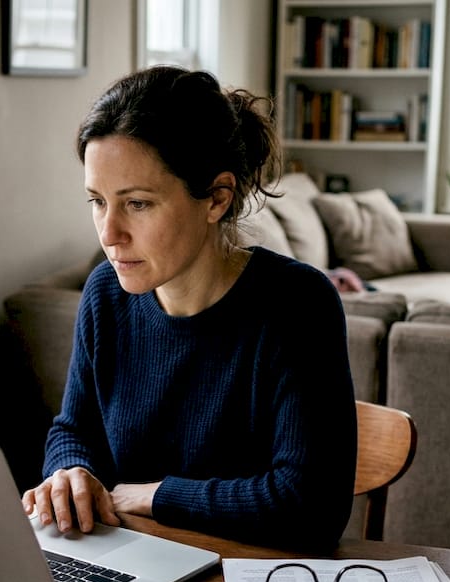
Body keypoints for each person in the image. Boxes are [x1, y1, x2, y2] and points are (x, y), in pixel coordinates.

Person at [21, 66, 357, 551]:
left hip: (250, 581)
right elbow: (74, 428)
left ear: (217, 198)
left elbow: (311, 507)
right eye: (98, 201)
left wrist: (159, 496)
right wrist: (70, 472)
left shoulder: (297, 305)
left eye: (137, 204)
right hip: (133, 563)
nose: (109, 233)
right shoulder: (104, 295)